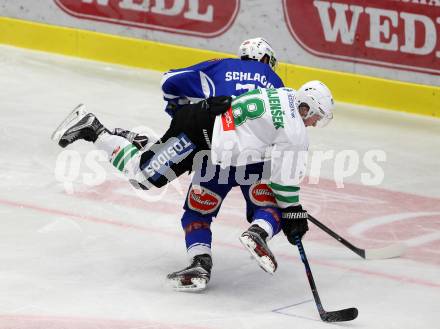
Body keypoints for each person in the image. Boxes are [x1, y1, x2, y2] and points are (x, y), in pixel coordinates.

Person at [51, 81, 334, 288]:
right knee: (144, 178)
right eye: (316, 116)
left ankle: (204, 260)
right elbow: (285, 185)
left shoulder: (285, 94)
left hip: (217, 141)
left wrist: (290, 207)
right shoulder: (296, 130)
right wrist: (293, 212)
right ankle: (94, 129)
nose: (313, 123)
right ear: (306, 106)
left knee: (208, 201)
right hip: (199, 132)